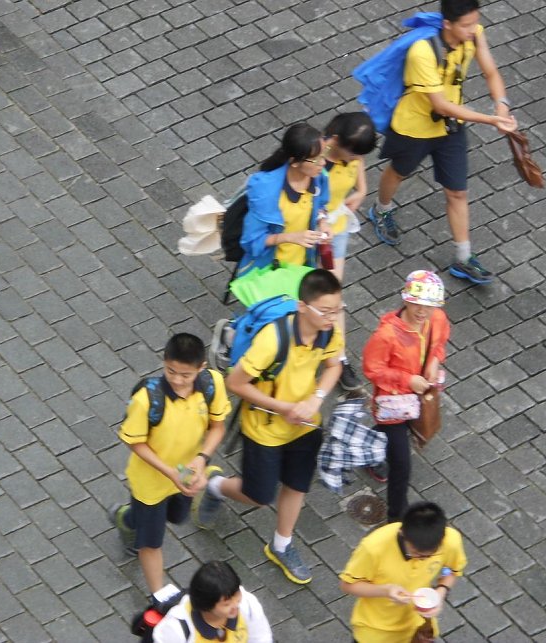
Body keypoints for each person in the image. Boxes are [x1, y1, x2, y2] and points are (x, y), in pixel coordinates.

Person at [192, 269, 344, 584]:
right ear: (303, 307)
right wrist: (284, 408)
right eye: (325, 311)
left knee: (297, 485)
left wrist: (316, 399)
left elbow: (333, 366)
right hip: (264, 428)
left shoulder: (329, 331)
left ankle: (281, 544)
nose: (332, 317)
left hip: (305, 424)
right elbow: (236, 383)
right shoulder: (272, 340)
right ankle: (216, 486)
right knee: (259, 494)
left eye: (337, 310)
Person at [367, 0, 517, 284]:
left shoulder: (474, 33)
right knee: (399, 172)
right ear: (448, 24)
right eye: (466, 25)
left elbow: (491, 73)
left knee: (457, 192)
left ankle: (463, 257)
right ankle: (381, 208)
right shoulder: (422, 52)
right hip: (414, 128)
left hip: (450, 128)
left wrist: (502, 105)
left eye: (475, 22)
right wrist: (492, 120)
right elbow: (441, 105)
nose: (473, 30)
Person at [112, 334, 230, 604]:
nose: (177, 380)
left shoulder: (213, 384)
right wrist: (170, 473)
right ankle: (159, 594)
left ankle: (126, 518)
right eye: (171, 371)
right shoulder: (147, 399)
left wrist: (201, 459)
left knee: (177, 518)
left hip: (187, 474)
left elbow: (217, 426)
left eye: (185, 375)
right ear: (164, 363)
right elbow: (136, 443)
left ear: (201, 368)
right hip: (150, 482)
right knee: (151, 542)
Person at [362, 270, 449, 523]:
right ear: (406, 300)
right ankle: (396, 518)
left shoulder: (438, 319)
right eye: (417, 304)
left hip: (418, 396)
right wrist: (408, 380)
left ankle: (373, 454)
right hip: (393, 406)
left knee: (389, 440)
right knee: (402, 466)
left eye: (429, 306)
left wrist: (435, 360)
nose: (423, 311)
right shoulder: (386, 335)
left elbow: (440, 342)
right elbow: (372, 369)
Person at [339, 502, 466, 643]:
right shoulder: (373, 547)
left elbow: (451, 570)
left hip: (418, 627)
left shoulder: (451, 541)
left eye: (429, 556)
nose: (423, 559)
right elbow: (348, 585)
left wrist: (441, 593)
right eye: (416, 553)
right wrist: (386, 591)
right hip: (376, 631)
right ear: (402, 533)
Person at [321, 112, 377, 391]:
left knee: (333, 295)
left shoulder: (350, 154)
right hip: (310, 235)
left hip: (336, 229)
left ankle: (339, 357)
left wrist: (362, 190)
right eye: (350, 154)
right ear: (333, 140)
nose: (355, 160)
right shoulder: (314, 163)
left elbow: (360, 160)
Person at [238, 122, 331, 277]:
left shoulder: (319, 177)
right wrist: (290, 237)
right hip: (269, 271)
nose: (323, 163)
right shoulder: (266, 193)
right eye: (315, 159)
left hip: (303, 266)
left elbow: (321, 204)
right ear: (294, 162)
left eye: (324, 153)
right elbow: (251, 242)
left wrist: (323, 221)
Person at [152, 560, 272, 643]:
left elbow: (261, 638)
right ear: (206, 605)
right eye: (226, 604)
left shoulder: (248, 605)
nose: (236, 604)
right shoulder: (176, 629)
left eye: (236, 595)